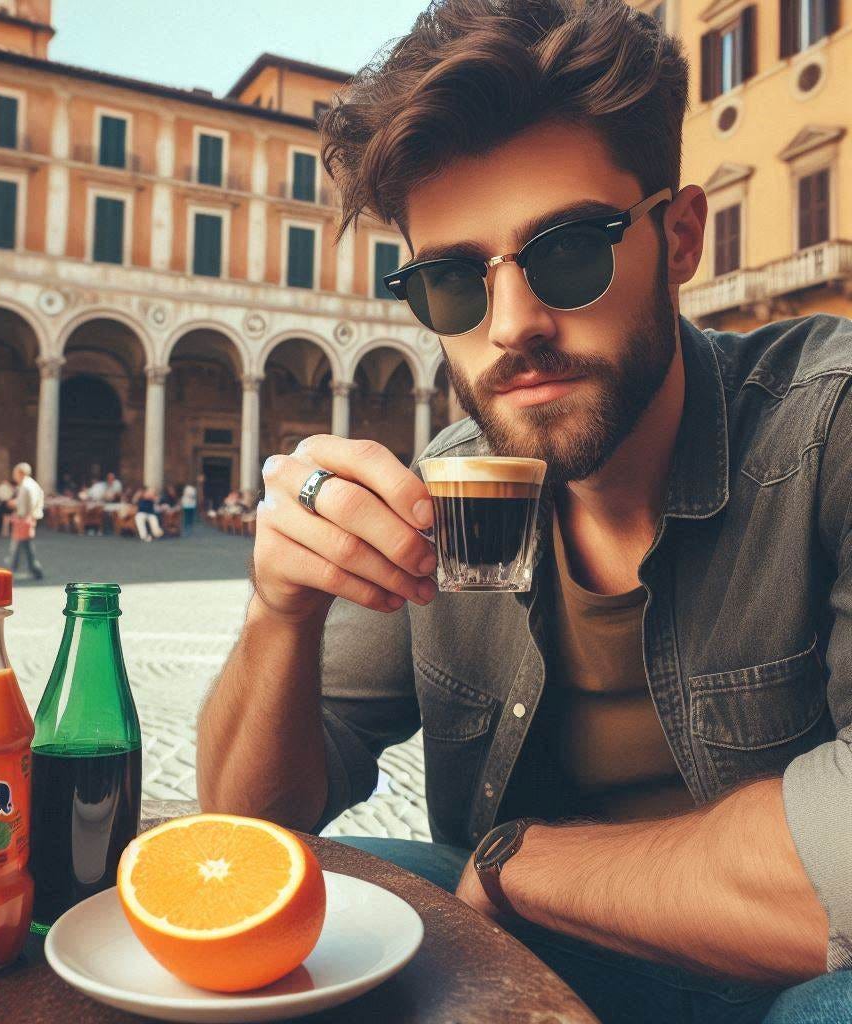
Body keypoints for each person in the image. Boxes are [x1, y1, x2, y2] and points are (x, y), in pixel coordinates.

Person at [195, 3, 852, 1023]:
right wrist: (279, 611)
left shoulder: (827, 430)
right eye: (452, 281)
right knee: (306, 896)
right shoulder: (451, 488)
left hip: (780, 971)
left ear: (678, 237)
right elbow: (244, 842)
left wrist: (520, 867)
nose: (511, 328)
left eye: (569, 252)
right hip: (528, 956)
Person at [7, 462, 44, 580]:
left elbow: (23, 505)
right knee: (26, 547)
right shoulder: (32, 484)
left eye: (15, 473)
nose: (14, 476)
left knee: (18, 546)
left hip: (23, 520)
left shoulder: (26, 486)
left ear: (20, 473)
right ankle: (35, 570)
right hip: (29, 518)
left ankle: (10, 571)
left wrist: (16, 509)